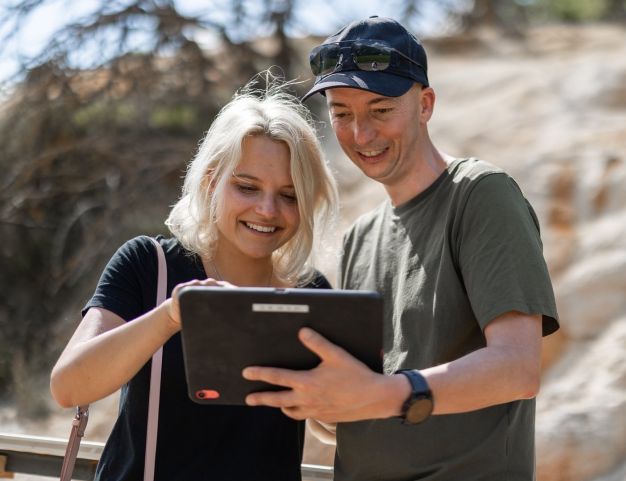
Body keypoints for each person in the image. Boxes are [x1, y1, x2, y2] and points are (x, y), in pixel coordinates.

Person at [242, 16, 560, 481]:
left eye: (380, 110)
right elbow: (366, 402)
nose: (360, 134)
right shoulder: (360, 236)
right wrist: (316, 397)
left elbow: (518, 367)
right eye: (342, 113)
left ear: (425, 104)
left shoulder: (480, 194)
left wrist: (383, 393)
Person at [50, 74, 338, 481]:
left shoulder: (311, 292)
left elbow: (331, 424)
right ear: (210, 181)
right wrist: (169, 317)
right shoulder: (149, 265)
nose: (268, 210)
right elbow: (69, 386)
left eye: (289, 195)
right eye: (247, 187)